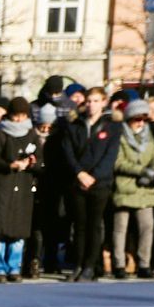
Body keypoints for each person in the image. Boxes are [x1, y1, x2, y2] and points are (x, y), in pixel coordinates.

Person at [55, 87, 118, 281]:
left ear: (104, 102)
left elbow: (110, 156)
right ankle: (79, 264)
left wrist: (94, 177)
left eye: (96, 101)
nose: (92, 105)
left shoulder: (112, 126)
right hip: (77, 182)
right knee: (79, 225)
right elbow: (67, 152)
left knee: (94, 225)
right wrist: (80, 173)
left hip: (100, 184)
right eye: (89, 101)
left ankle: (91, 265)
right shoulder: (74, 125)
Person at [0, 97, 41, 283]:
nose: (18, 120)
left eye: (22, 116)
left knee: (19, 231)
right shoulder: (1, 134)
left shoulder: (32, 135)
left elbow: (40, 162)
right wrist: (10, 165)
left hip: (23, 186)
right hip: (3, 186)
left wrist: (32, 163)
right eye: (16, 116)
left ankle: (14, 267)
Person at [109, 99, 154, 279]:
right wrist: (141, 170)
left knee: (147, 226)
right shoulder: (120, 136)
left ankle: (144, 264)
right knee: (120, 228)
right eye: (137, 119)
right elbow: (118, 162)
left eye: (144, 119)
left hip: (145, 189)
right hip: (125, 187)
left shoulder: (148, 137)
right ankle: (119, 265)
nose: (140, 123)